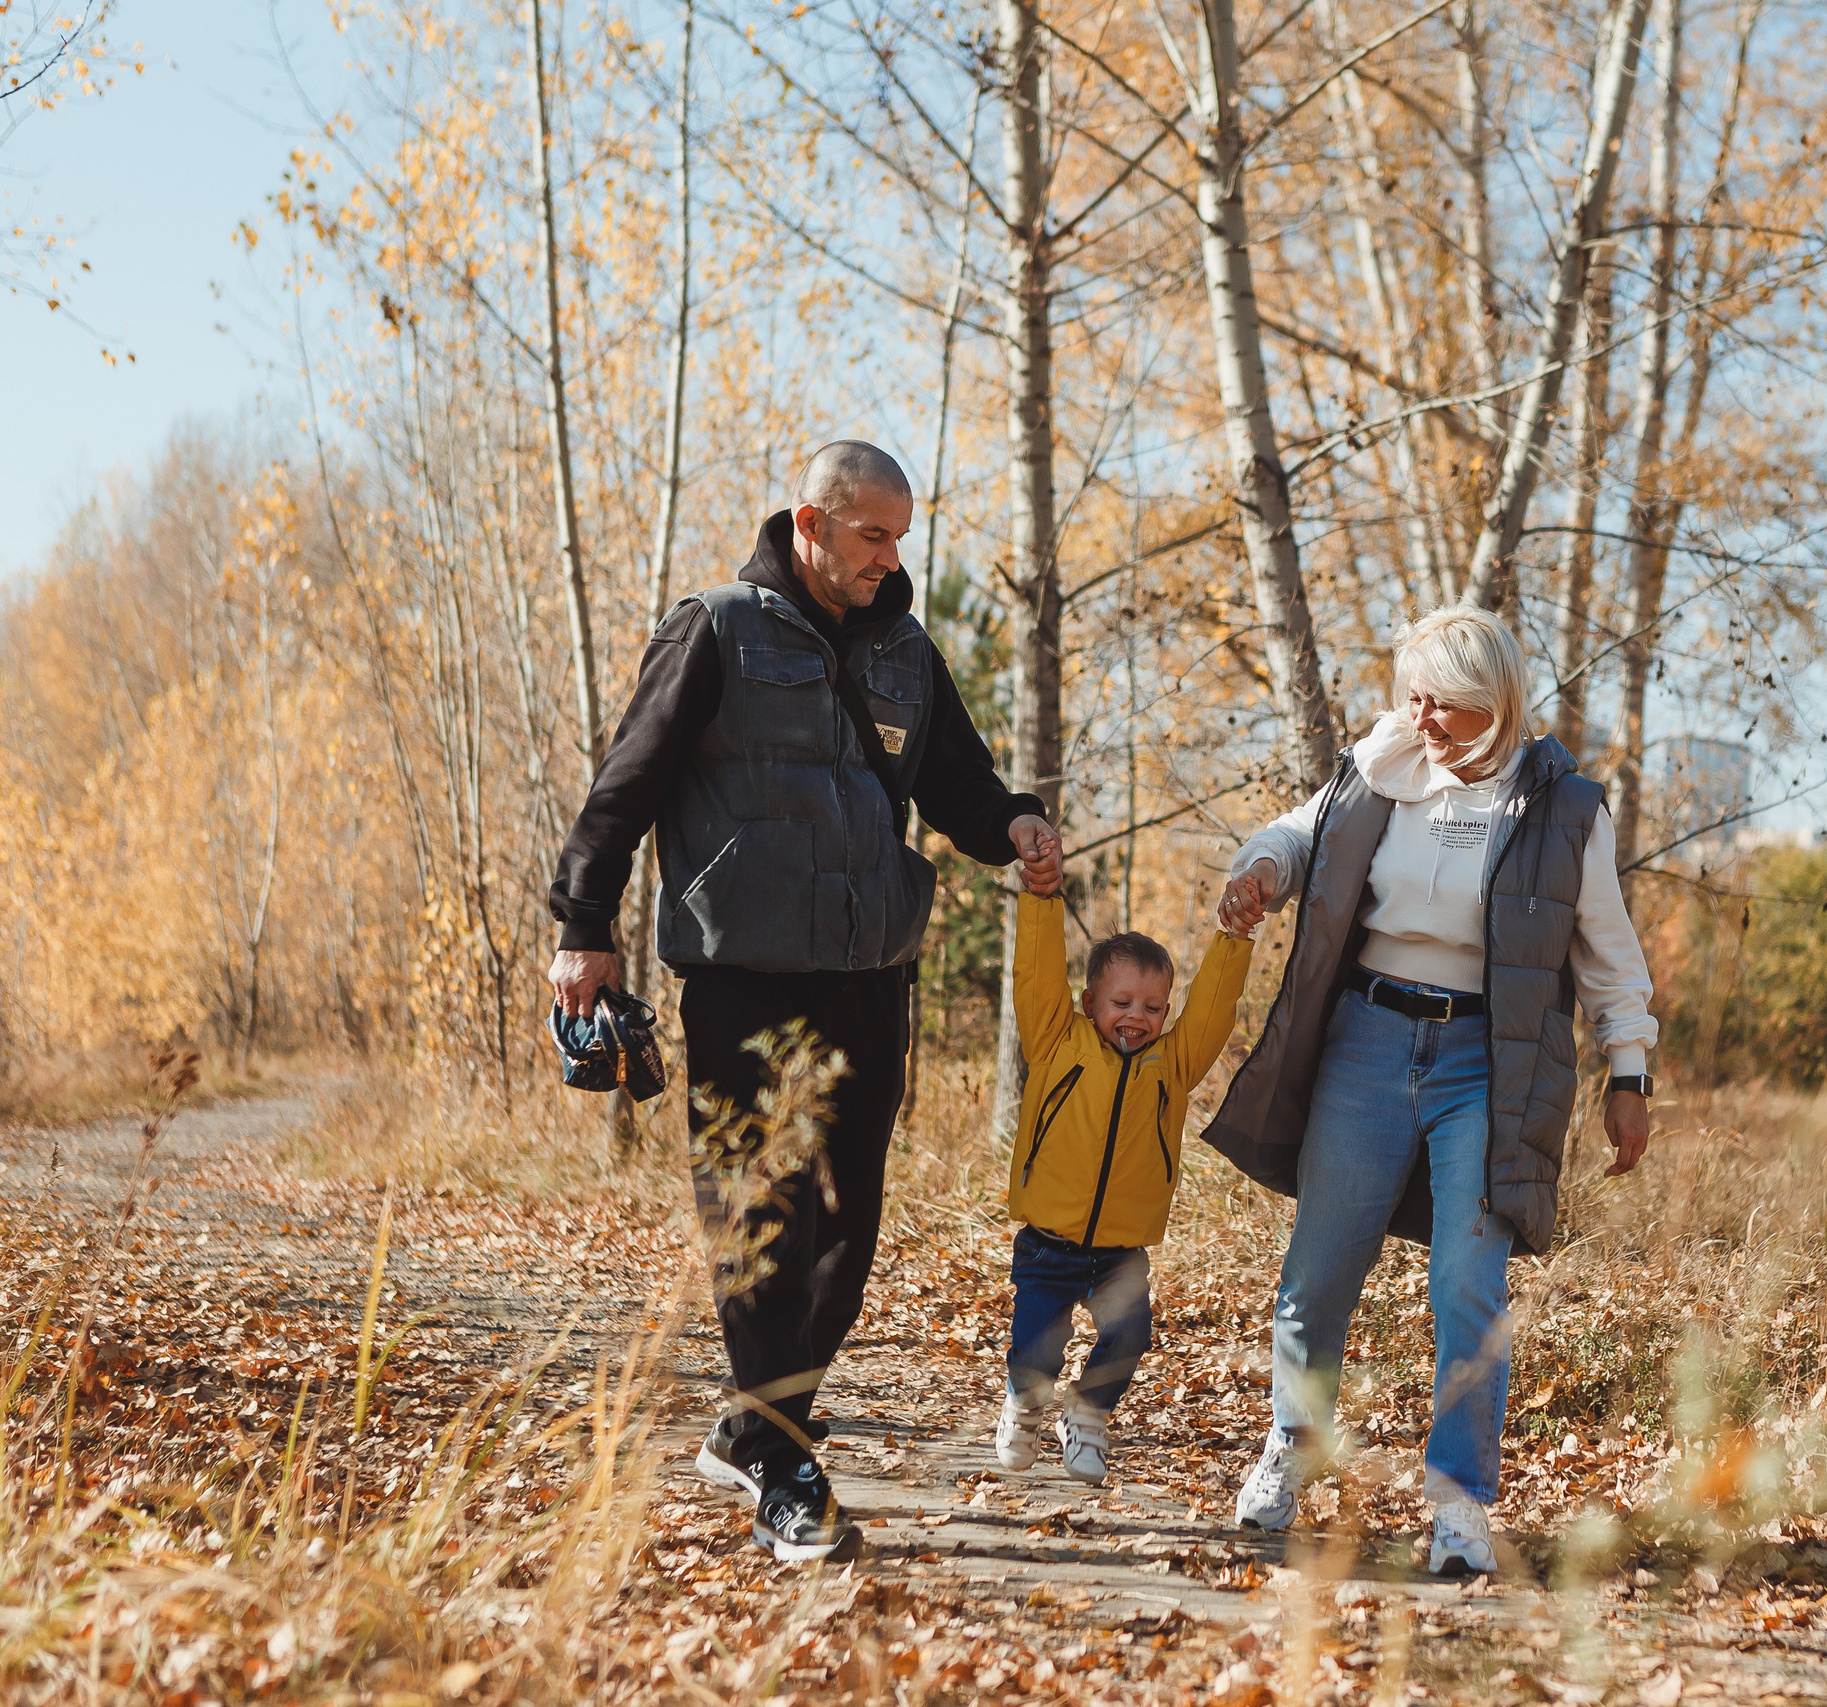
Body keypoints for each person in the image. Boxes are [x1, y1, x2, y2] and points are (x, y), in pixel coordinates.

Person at [546, 440, 1062, 1562]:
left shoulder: (907, 652)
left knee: (845, 1223)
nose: (891, 560)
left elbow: (959, 783)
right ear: (811, 523)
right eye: (872, 535)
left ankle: (753, 1428)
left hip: (871, 976)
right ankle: (783, 1467)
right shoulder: (716, 629)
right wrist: (584, 926)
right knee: (761, 1215)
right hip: (745, 976)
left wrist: (1013, 822)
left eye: (901, 538)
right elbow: (625, 784)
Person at [1203, 605, 1657, 1577]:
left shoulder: (1564, 809)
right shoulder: (1381, 766)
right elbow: (1299, 834)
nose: (1422, 719)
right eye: (1412, 697)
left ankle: (1458, 1501)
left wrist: (1629, 1072)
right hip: (1366, 1042)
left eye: (1443, 704)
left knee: (1466, 1283)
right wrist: (1262, 868)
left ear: (1495, 704)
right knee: (1319, 1270)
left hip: (1486, 1062)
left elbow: (1609, 954)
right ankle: (1290, 1445)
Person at [994, 876, 1256, 1483]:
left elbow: (1212, 1010)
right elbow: (1036, 974)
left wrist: (1234, 937)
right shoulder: (1056, 1041)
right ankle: (1025, 1405)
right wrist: (1041, 897)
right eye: (1122, 1003)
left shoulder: (1173, 1065)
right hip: (1049, 1241)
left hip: (1121, 1248)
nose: (1137, 1017)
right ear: (1090, 1003)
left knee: (1129, 1335)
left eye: (1153, 1007)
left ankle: (1087, 1415)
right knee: (1035, 1347)